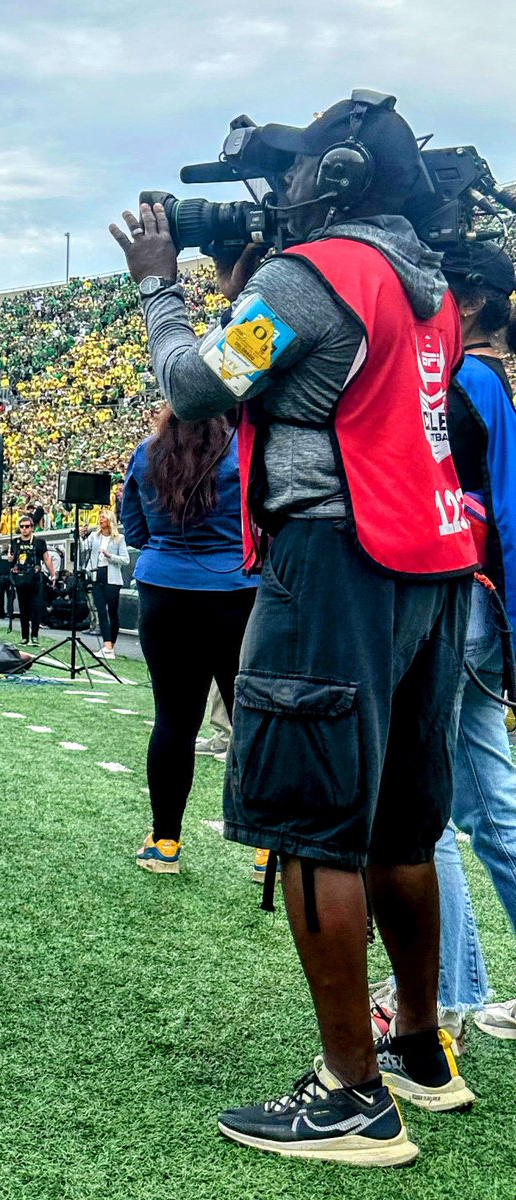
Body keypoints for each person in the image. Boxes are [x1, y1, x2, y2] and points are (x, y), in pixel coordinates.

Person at [113, 94, 477, 1164]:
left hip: (333, 564)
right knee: (402, 824)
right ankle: (418, 1045)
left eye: (291, 177)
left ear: (333, 178)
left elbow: (192, 386)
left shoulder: (308, 275)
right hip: (428, 563)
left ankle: (348, 1096)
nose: (275, 198)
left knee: (316, 823)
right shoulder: (428, 280)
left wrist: (155, 285)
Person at [374, 240, 516, 1047]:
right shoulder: (491, 380)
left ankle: (439, 1000)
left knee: (418, 806)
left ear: (458, 302)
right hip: (486, 603)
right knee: (489, 802)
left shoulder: (455, 376)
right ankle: (447, 995)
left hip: (451, 592)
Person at [123, 406, 258, 874]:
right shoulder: (243, 450)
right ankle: (269, 849)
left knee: (174, 721)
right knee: (252, 719)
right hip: (236, 593)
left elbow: (136, 531)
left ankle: (165, 844)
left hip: (164, 593)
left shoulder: (146, 454)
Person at [81, 508, 128, 658]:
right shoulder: (94, 536)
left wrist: (110, 556)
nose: (101, 520)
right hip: (97, 575)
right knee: (100, 609)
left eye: (104, 517)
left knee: (112, 612)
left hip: (112, 578)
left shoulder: (119, 538)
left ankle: (110, 646)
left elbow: (125, 560)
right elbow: (84, 547)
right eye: (100, 517)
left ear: (109, 521)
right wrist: (81, 535)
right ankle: (107, 646)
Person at [9, 513, 56, 645]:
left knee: (36, 607)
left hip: (35, 578)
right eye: (22, 526)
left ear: (32, 528)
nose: (24, 529)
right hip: (21, 578)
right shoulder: (15, 542)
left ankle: (34, 636)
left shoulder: (39, 542)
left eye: (27, 526)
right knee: (23, 609)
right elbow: (12, 559)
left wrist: (53, 574)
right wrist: (10, 561)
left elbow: (47, 558)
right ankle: (25, 637)